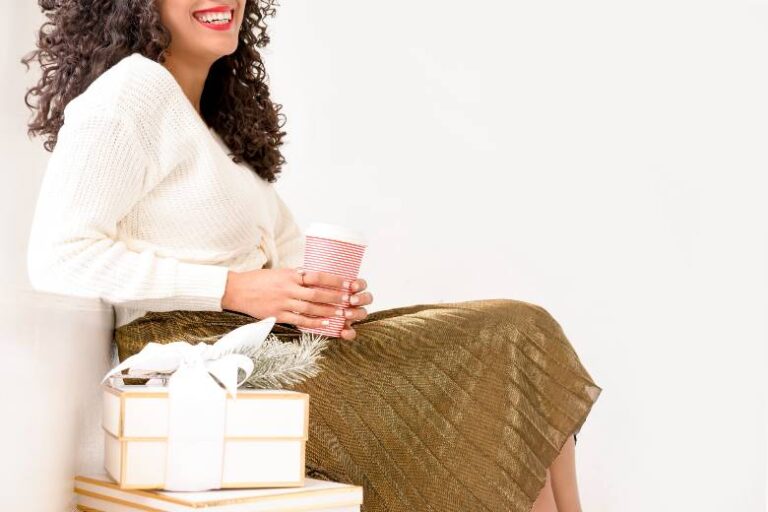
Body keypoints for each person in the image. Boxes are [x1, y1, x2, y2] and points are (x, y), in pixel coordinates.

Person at [22, 1, 602, 511]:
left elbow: (288, 264)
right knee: (513, 333)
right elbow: (59, 255)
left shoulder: (213, 130)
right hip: (208, 369)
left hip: (271, 345)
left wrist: (328, 300)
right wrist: (236, 288)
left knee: (520, 340)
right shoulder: (133, 91)